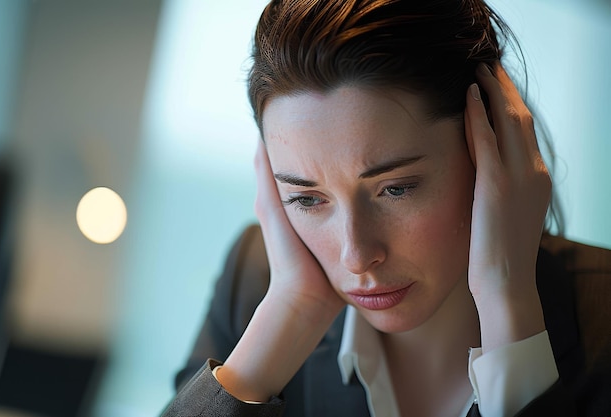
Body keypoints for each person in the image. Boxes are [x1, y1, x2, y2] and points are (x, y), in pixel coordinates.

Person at [161, 0, 611, 415]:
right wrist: (288, 319)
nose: (356, 256)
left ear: (496, 145)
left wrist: (508, 309)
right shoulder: (253, 282)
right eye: (306, 198)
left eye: (396, 189)